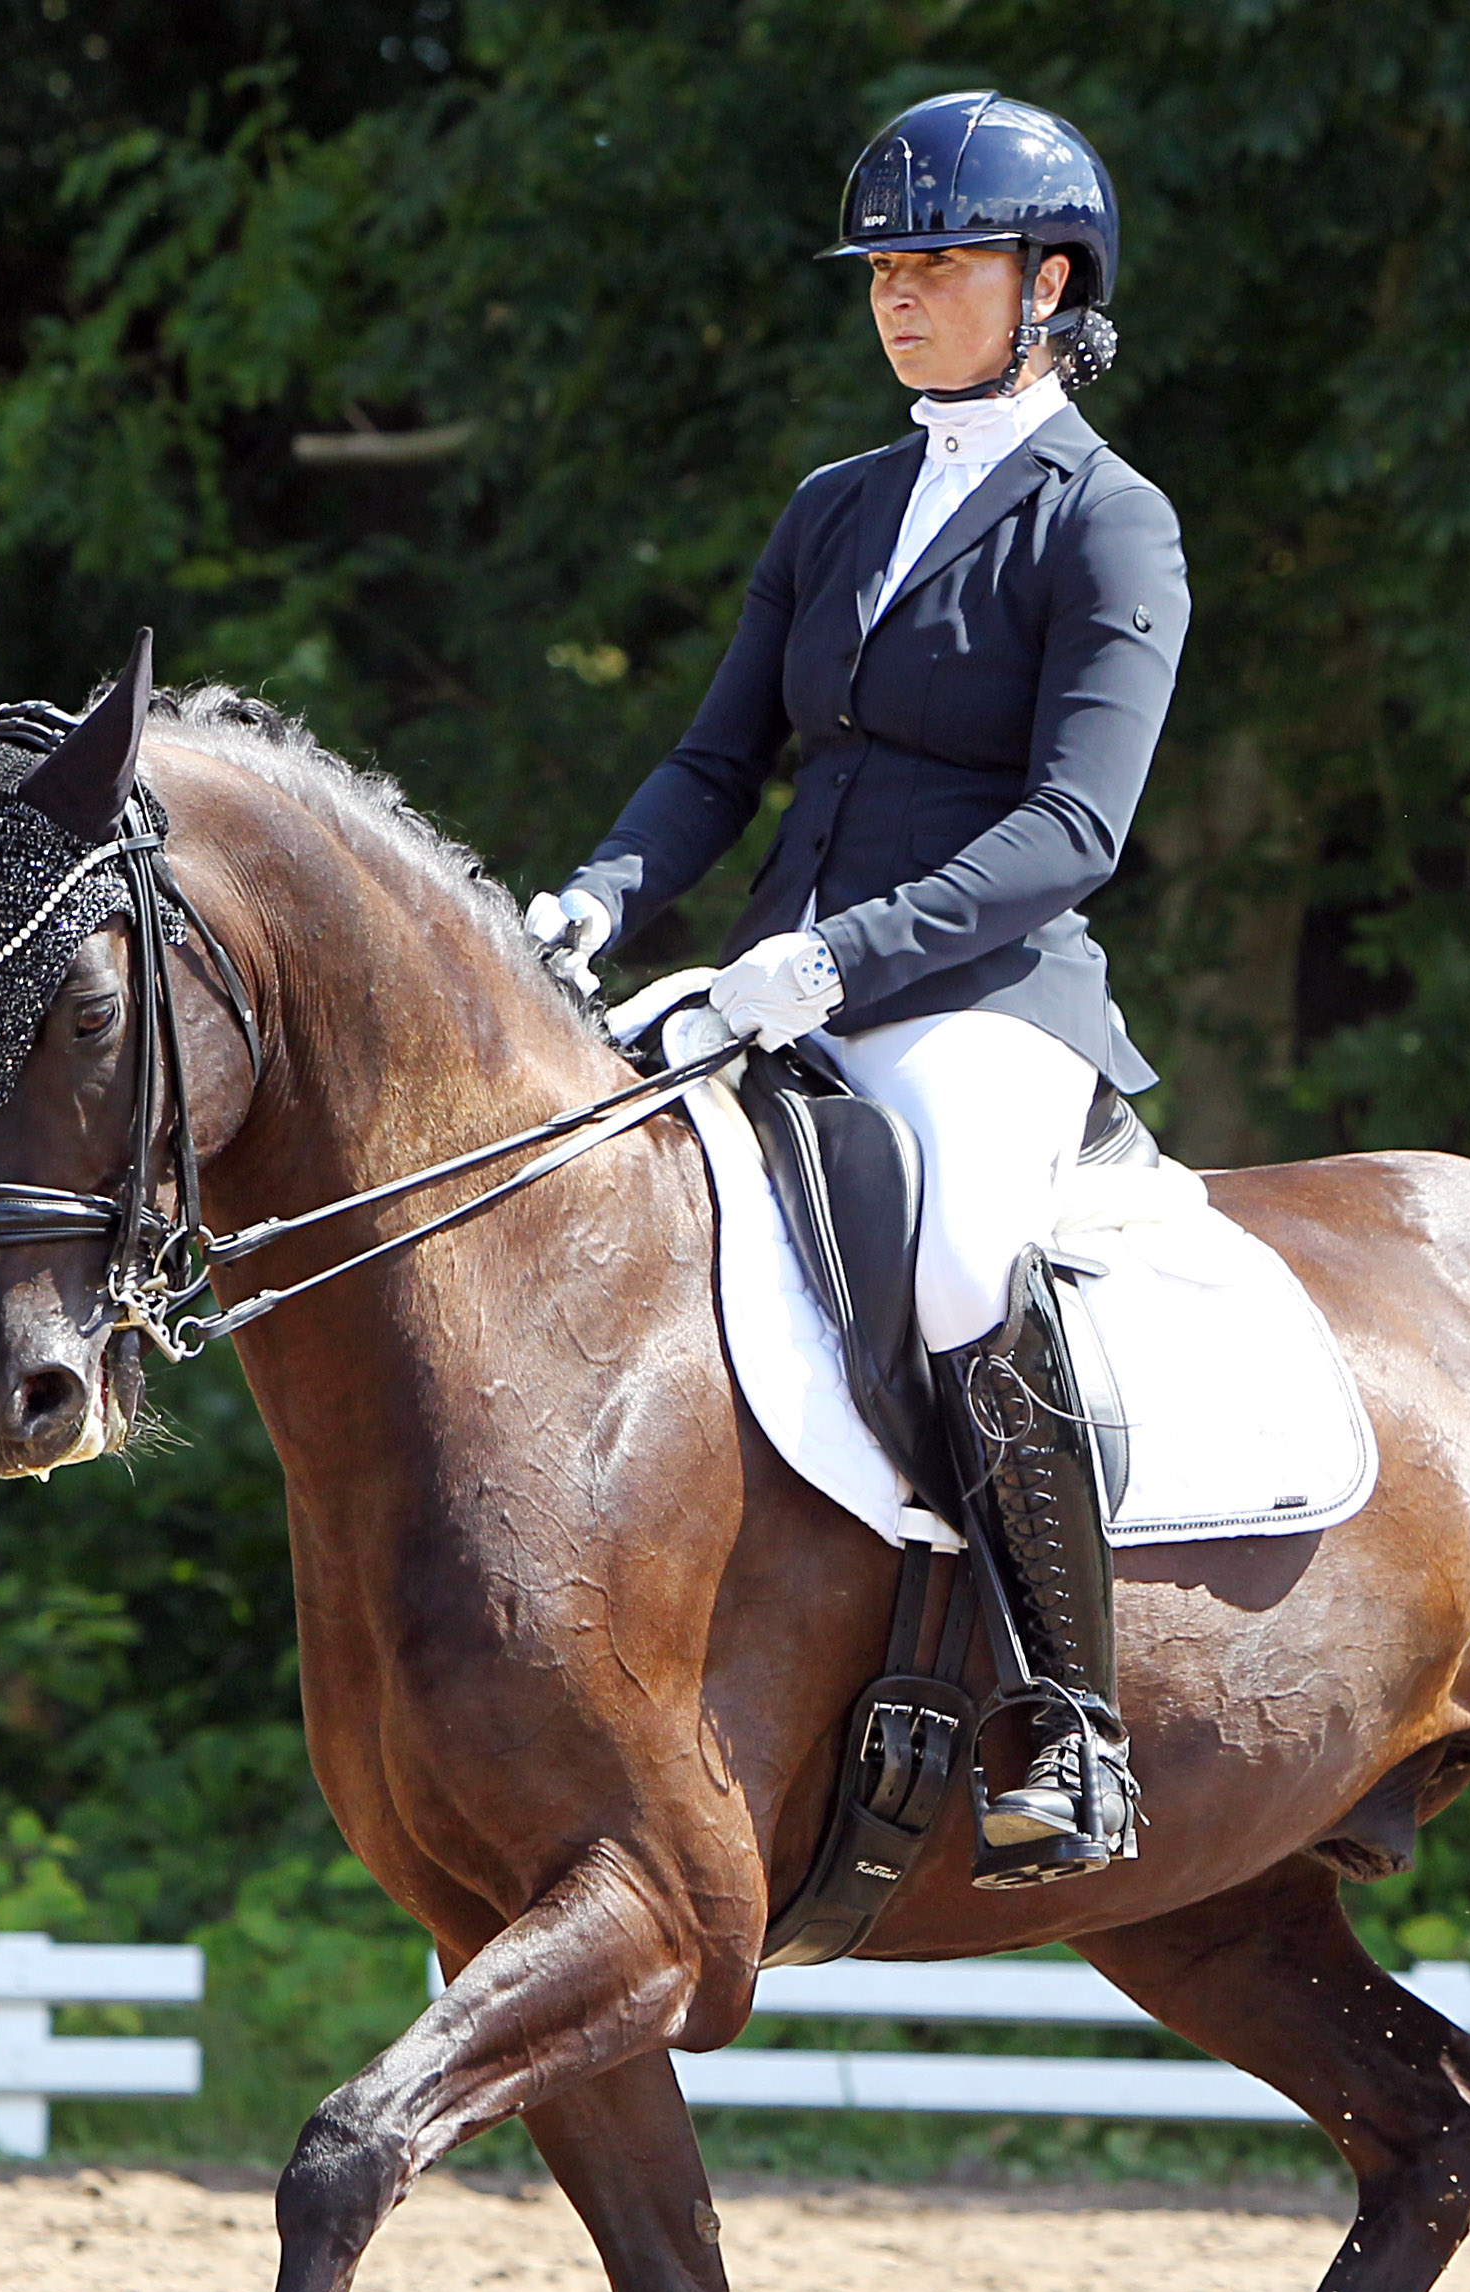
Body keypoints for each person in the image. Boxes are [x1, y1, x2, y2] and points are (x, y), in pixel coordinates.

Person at [527, 90, 1186, 1883]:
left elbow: (1073, 827)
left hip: (982, 998)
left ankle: (1070, 1717)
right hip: (773, 985)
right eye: (883, 267)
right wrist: (592, 901)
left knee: (961, 1251)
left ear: (1050, 284)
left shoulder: (1107, 522)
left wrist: (837, 956)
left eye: (940, 262)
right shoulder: (836, 508)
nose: (897, 293)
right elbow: (713, 760)